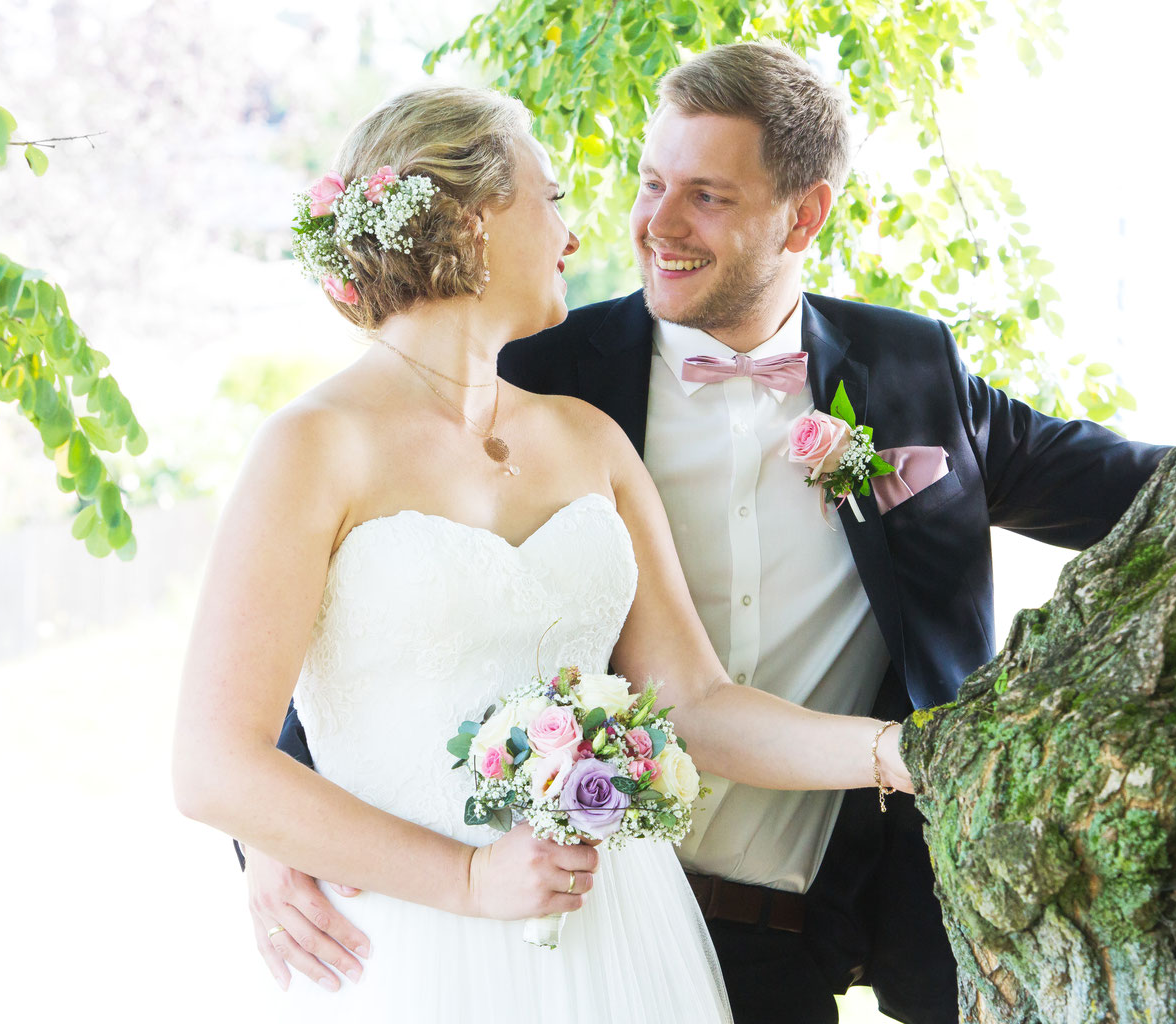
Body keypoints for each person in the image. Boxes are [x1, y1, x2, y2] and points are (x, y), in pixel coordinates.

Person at [241, 42, 1171, 1024]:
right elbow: (374, 643)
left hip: (765, 936)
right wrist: (271, 827)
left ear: (803, 213)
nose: (652, 224)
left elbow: (1144, 491)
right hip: (484, 914)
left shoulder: (909, 376)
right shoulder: (534, 370)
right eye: (649, 184)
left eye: (708, 197)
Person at [173, 83, 921, 1024]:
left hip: (625, 940)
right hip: (417, 950)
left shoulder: (588, 440)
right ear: (478, 218)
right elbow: (213, 764)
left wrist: (901, 754)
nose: (577, 232)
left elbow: (695, 704)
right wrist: (473, 879)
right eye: (553, 198)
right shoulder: (315, 445)